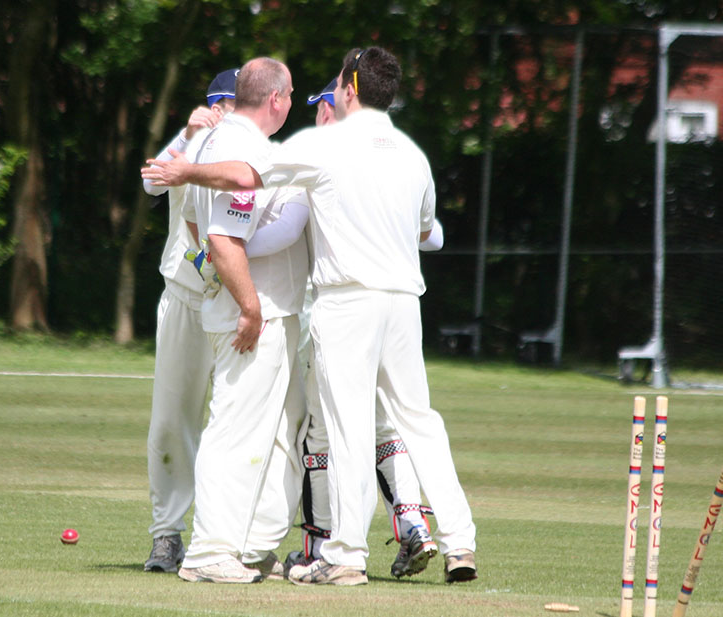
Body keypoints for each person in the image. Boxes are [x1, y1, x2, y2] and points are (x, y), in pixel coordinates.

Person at [142, 47, 477, 586]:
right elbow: (428, 232)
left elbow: (244, 177)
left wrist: (185, 170)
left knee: (343, 429)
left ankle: (345, 554)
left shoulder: (322, 146)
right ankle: (461, 542)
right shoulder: (414, 154)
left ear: (349, 88)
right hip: (402, 300)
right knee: (420, 422)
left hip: (346, 300)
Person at [286, 78, 446, 580]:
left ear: (338, 110)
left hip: (333, 313)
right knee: (384, 426)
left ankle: (321, 547)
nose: (319, 116)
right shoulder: (387, 162)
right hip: (390, 313)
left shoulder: (321, 162)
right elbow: (433, 235)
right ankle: (414, 523)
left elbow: (283, 229)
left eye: (323, 108)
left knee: (323, 435)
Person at [176, 56, 308, 585]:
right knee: (233, 430)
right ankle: (209, 550)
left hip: (247, 305)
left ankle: (249, 547)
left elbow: (192, 219)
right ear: (275, 99)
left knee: (269, 434)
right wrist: (250, 307)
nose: (294, 101)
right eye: (292, 93)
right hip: (253, 313)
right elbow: (224, 238)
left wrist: (216, 278)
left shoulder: (211, 140)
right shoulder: (243, 148)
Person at [140, 68, 237, 574]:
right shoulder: (192, 145)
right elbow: (151, 181)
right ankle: (167, 535)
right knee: (170, 420)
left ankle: (227, 537)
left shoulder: (257, 151)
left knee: (236, 422)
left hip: (237, 302)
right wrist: (188, 132)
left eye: (234, 103)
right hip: (183, 294)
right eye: (219, 102)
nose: (224, 113)